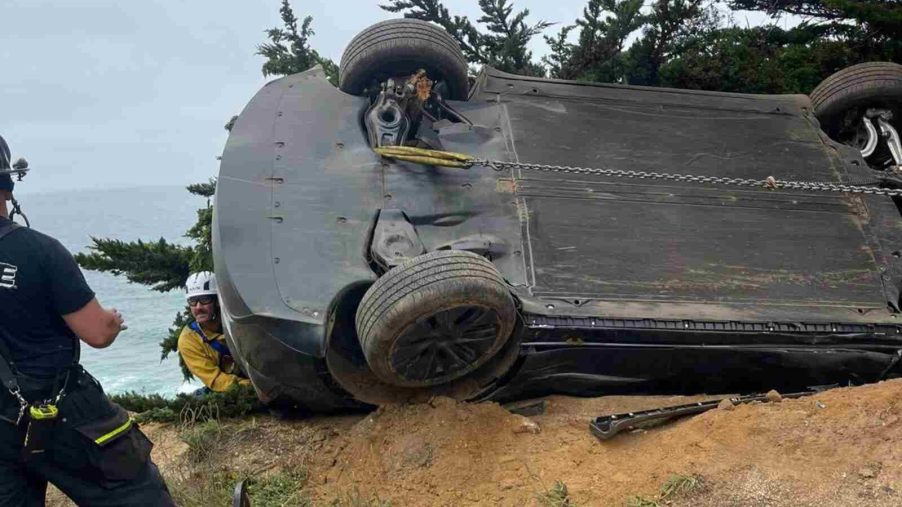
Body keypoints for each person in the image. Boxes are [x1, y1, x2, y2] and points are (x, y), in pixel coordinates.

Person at [0, 135, 175, 506]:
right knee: (134, 493)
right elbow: (96, 332)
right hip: (60, 410)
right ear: (8, 185)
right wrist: (112, 321)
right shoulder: (38, 250)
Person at [178, 271, 250, 393]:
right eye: (193, 301)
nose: (198, 307)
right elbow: (216, 380)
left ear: (217, 301)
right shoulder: (189, 340)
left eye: (204, 299)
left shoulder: (239, 322)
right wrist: (252, 388)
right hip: (232, 389)